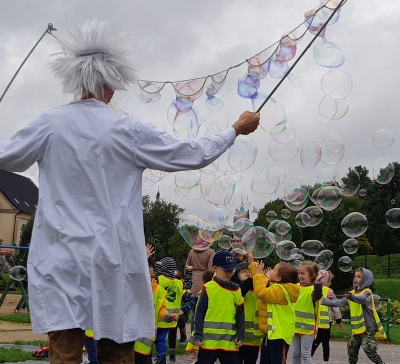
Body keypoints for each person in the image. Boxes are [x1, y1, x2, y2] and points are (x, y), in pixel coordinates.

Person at [0, 20, 260, 363]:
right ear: (112, 81)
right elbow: (193, 154)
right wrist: (235, 129)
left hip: (60, 258)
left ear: (76, 81)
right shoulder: (127, 129)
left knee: (64, 351)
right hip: (113, 257)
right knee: (117, 349)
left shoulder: (49, 123)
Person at [322, 267, 386, 364]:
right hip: (358, 329)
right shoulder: (352, 293)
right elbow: (338, 302)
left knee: (368, 348)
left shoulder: (367, 292)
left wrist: (352, 297)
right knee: (351, 347)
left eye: (359, 277)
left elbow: (362, 299)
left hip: (368, 328)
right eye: (355, 276)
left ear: (366, 279)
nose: (355, 278)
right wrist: (324, 301)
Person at [193, 250, 244, 364]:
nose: (229, 273)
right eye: (226, 270)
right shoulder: (208, 288)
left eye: (231, 270)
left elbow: (240, 315)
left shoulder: (236, 289)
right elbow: (199, 314)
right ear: (215, 268)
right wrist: (198, 335)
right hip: (208, 343)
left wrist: (240, 335)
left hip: (229, 342)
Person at [247, 254, 300, 364]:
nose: (271, 270)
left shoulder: (280, 291)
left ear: (278, 278)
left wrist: (258, 275)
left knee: (276, 361)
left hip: (279, 335)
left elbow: (261, 292)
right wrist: (251, 260)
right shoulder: (276, 287)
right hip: (272, 333)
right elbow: (262, 282)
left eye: (274, 270)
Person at [135, 257, 177, 364]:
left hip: (145, 340)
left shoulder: (159, 290)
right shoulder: (132, 285)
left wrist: (167, 316)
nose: (147, 268)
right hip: (128, 339)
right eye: (144, 264)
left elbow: (161, 310)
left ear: (154, 270)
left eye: (149, 266)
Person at [292, 261, 324, 364]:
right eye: (299, 273)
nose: (300, 275)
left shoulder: (313, 289)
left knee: (306, 355)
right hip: (295, 326)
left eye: (303, 273)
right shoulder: (296, 286)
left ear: (312, 275)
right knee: (295, 355)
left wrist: (318, 283)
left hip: (307, 328)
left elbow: (317, 295)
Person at [231, 261, 263, 364]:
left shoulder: (260, 290)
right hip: (240, 337)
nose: (248, 273)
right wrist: (255, 275)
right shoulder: (237, 288)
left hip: (255, 338)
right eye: (244, 271)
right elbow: (245, 287)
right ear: (237, 275)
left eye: (250, 271)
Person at [311, 270, 344, 364]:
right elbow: (335, 306)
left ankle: (309, 357)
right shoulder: (329, 291)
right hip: (326, 322)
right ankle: (325, 361)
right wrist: (339, 320)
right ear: (326, 280)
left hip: (316, 321)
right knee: (325, 343)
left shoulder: (313, 289)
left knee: (315, 341)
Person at [157, 257, 184, 364]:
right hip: (173, 317)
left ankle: (161, 359)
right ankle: (164, 358)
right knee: (165, 339)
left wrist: (158, 266)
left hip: (160, 315)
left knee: (158, 339)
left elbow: (155, 279)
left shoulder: (160, 279)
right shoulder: (179, 283)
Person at [186, 270, 214, 363]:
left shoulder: (204, 290)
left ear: (203, 279)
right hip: (209, 323)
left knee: (198, 341)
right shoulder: (212, 289)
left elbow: (199, 309)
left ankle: (195, 356)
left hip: (201, 321)